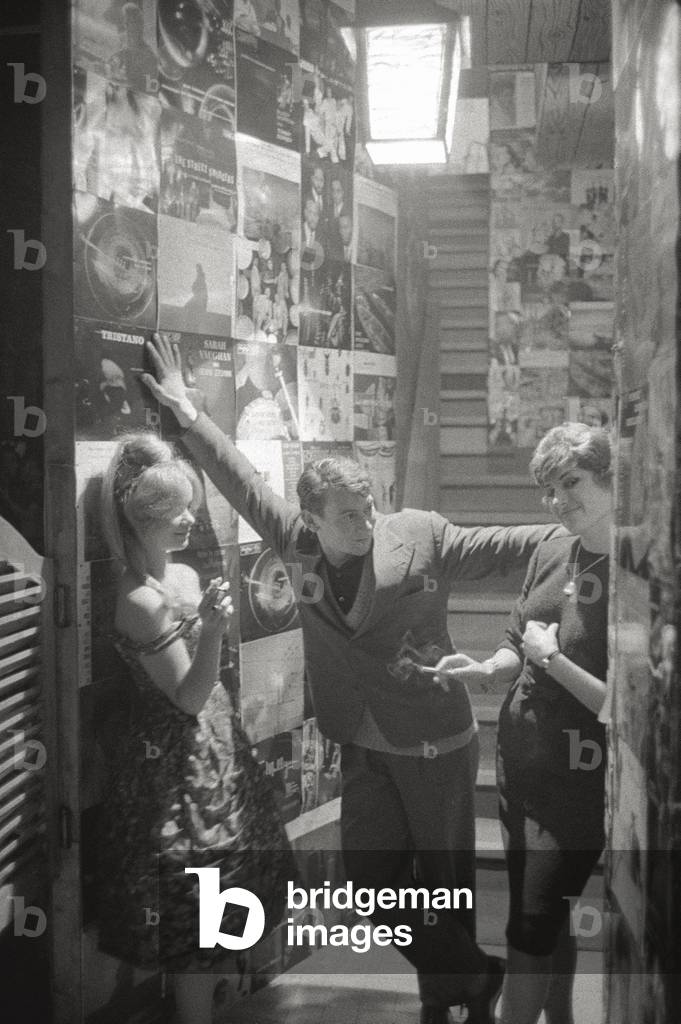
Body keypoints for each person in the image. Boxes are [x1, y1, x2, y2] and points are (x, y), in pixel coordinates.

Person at [141, 334, 566, 1024]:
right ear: (312, 520)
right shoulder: (296, 541)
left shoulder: (418, 533)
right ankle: (472, 977)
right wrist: (188, 415)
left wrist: (580, 534)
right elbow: (241, 480)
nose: (366, 522)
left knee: (445, 887)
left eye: (368, 506)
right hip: (362, 741)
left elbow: (509, 545)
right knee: (370, 885)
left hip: (434, 740)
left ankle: (448, 1005)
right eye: (347, 514)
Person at [96, 433, 292, 1024]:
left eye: (189, 507)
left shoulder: (178, 575)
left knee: (224, 890)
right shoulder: (140, 600)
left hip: (212, 752)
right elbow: (186, 697)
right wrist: (211, 631)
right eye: (176, 511)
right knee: (193, 910)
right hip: (173, 767)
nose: (189, 520)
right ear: (141, 518)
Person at [438, 423, 611, 1024]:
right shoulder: (554, 548)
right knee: (546, 915)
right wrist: (489, 667)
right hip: (523, 766)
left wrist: (551, 660)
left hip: (580, 782)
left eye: (572, 482)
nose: (559, 500)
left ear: (610, 479)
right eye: (549, 489)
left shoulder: (638, 573)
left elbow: (620, 706)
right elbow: (519, 637)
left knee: (530, 925)